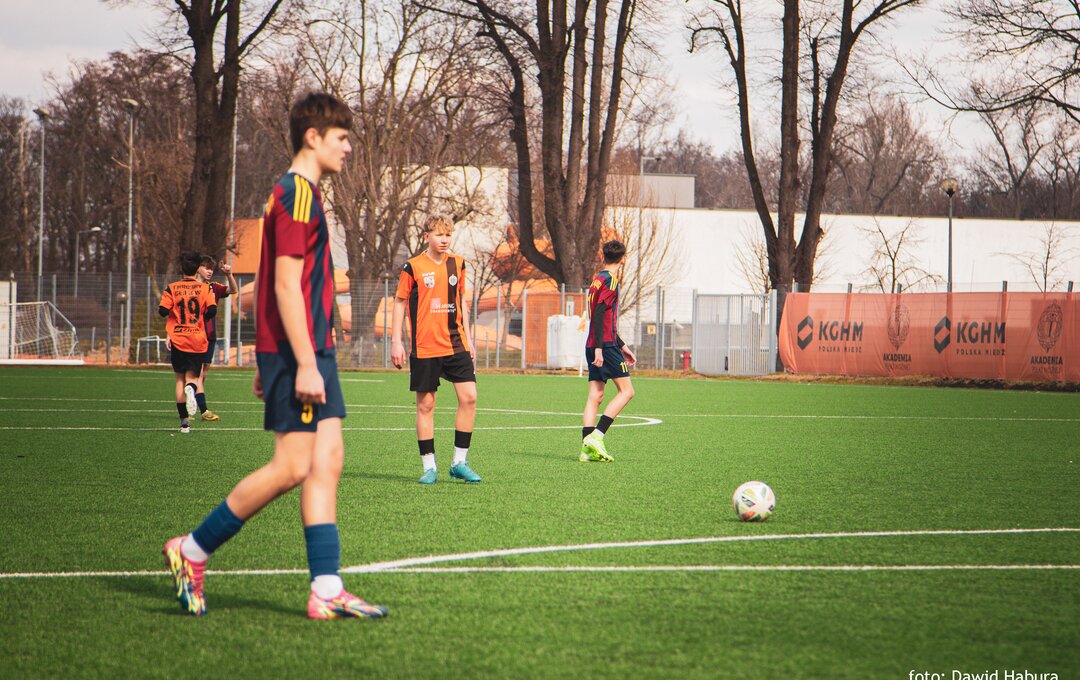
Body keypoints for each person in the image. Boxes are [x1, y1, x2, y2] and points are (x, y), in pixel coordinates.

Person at [163, 92, 388, 621]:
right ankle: (191, 549)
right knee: (292, 466)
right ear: (313, 137)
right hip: (301, 351)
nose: (348, 147)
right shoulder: (296, 194)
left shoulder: (300, 194)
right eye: (342, 137)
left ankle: (326, 589)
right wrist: (298, 362)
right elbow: (285, 284)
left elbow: (269, 279)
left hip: (303, 348)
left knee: (327, 461)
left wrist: (272, 355)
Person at [390, 215, 480, 485]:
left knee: (469, 398)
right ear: (426, 236)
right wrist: (396, 341)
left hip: (456, 343)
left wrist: (469, 339)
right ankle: (429, 467)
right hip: (425, 346)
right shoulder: (413, 267)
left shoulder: (458, 264)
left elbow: (462, 302)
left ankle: (459, 463)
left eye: (448, 235)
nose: (444, 240)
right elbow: (399, 302)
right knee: (426, 404)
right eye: (439, 235)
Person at [580, 239, 636, 462]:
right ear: (623, 260)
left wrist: (622, 345)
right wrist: (601, 349)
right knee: (627, 392)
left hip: (595, 342)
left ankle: (586, 449)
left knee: (596, 395)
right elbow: (600, 314)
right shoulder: (611, 281)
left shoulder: (597, 280)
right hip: (604, 345)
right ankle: (597, 436)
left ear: (603, 257)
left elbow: (600, 317)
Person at [159, 251, 218, 434]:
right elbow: (212, 310)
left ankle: (184, 423)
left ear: (181, 268)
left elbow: (162, 311)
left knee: (179, 379)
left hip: (178, 339)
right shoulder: (205, 288)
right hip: (197, 339)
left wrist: (175, 313)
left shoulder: (172, 288)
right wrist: (201, 317)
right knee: (192, 379)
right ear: (197, 269)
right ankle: (191, 388)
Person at [193, 254, 238, 421]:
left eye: (211, 268)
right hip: (194, 335)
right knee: (196, 374)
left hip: (210, 336)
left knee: (203, 374)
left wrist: (229, 274)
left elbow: (233, 290)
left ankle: (194, 403)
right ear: (197, 268)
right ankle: (199, 409)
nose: (209, 271)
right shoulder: (188, 287)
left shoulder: (213, 287)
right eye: (206, 267)